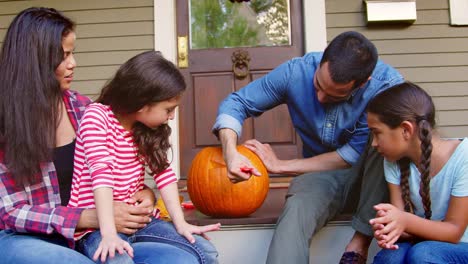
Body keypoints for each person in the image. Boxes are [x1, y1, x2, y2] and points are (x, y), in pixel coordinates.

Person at [0, 7, 210, 264]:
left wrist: (145, 194)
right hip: (25, 238)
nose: (73, 63)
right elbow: (9, 212)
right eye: (63, 55)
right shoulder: (6, 122)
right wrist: (87, 217)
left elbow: (113, 169)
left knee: (181, 260)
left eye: (72, 53)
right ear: (34, 62)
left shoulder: (82, 109)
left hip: (95, 230)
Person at [212, 31, 404, 264]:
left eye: (336, 96)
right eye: (317, 86)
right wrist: (230, 152)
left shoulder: (387, 87)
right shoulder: (297, 72)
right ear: (323, 59)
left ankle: (360, 240)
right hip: (322, 177)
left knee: (383, 140)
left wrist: (282, 166)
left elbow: (350, 155)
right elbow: (236, 103)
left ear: (363, 84)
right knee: (297, 209)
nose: (321, 98)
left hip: (377, 179)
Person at [68, 50, 221, 264]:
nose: (172, 116)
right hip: (97, 228)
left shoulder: (146, 128)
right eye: (168, 109)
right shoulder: (97, 117)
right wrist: (109, 234)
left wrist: (180, 223)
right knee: (118, 260)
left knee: (205, 251)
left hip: (140, 222)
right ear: (142, 102)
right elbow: (101, 175)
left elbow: (164, 175)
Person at [366, 82, 468, 263]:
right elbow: (403, 223)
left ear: (406, 130)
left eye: (377, 133)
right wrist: (390, 228)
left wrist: (404, 221)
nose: (374, 143)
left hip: (462, 245)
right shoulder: (393, 161)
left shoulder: (463, 157)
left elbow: (454, 231)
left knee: (424, 254)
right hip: (423, 242)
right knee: (391, 257)